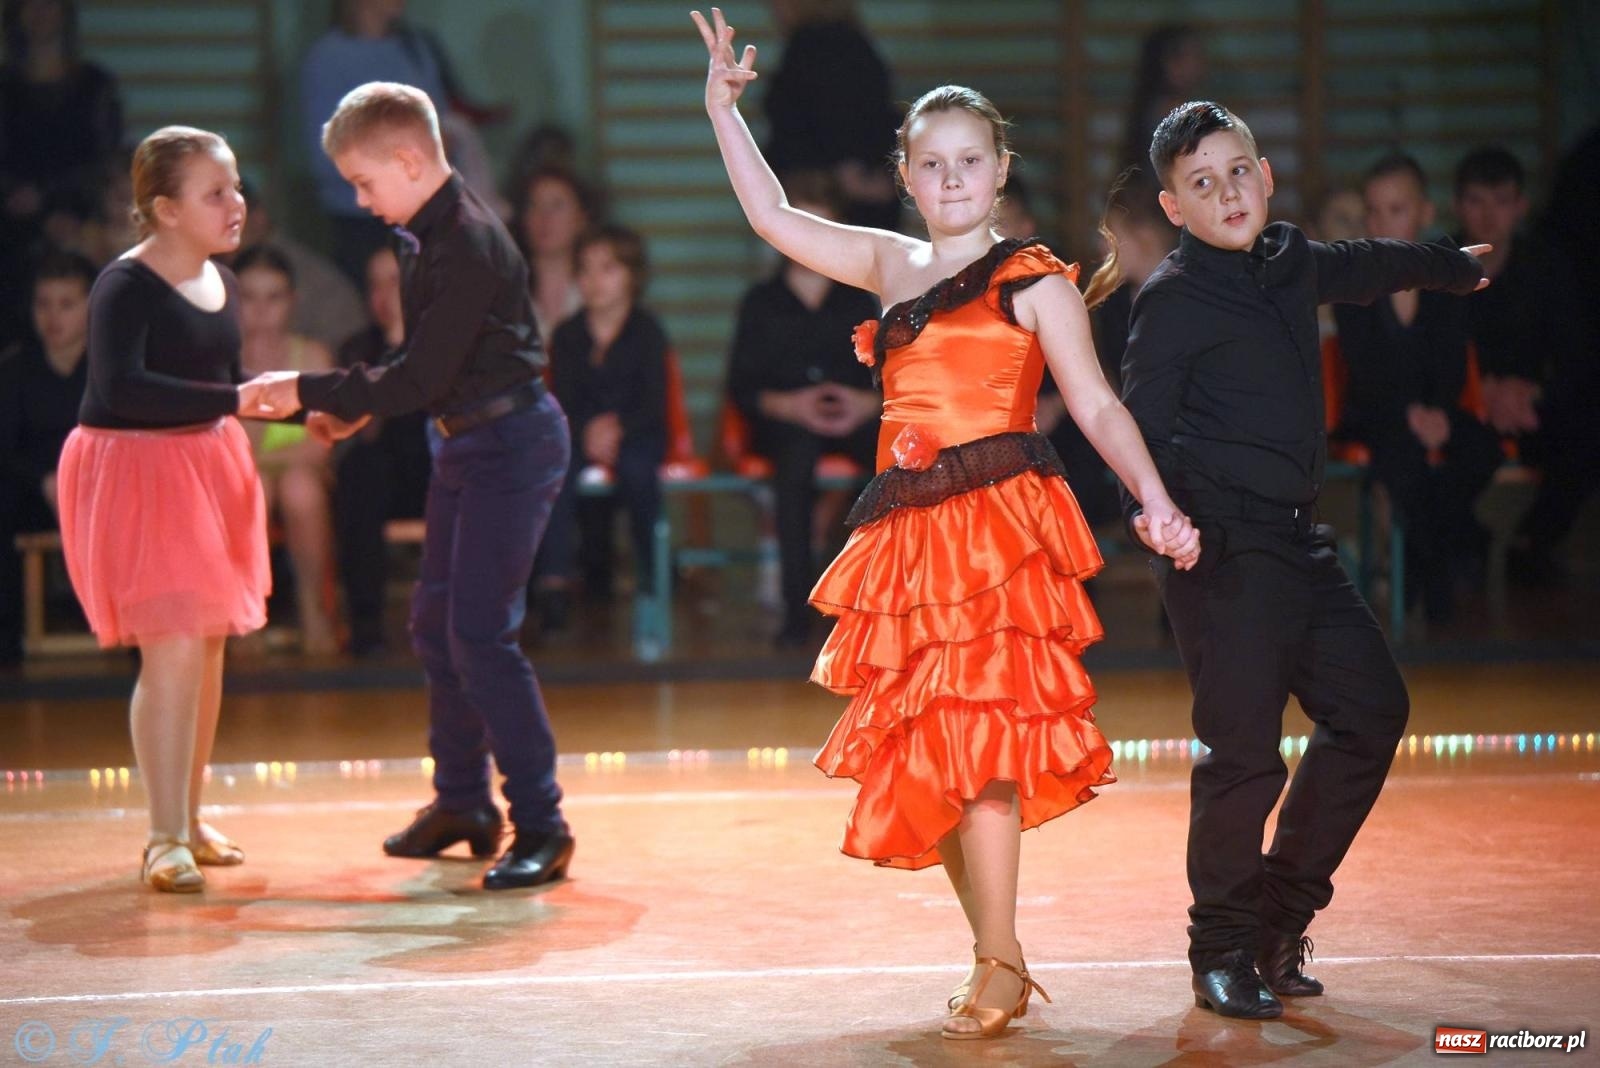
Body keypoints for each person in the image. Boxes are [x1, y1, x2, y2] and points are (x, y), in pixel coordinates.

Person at [694, 9, 1199, 1040]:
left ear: (1000, 169)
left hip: (997, 540)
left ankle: (1002, 960)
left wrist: (1154, 499)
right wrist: (722, 112)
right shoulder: (889, 262)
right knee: (933, 760)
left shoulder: (1036, 281)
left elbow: (1097, 407)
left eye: (971, 159)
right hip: (911, 544)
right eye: (932, 163)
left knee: (984, 754)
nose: (953, 177)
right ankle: (994, 953)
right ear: (906, 176)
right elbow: (773, 218)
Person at [1119, 101, 1490, 1019]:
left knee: (1371, 710)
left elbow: (1364, 266)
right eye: (1202, 183)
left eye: (1238, 171)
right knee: (1245, 756)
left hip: (1295, 540)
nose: (1227, 193)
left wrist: (1448, 266)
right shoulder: (1171, 298)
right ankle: (1219, 950)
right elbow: (1136, 424)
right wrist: (1152, 515)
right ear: (1173, 207)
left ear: (1266, 174)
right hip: (1219, 548)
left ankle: (1278, 920)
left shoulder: (1289, 258)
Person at [255, 81, 575, 891]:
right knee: (435, 626)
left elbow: (425, 373)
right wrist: (356, 408)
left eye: (364, 182)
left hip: (512, 441)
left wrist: (306, 389)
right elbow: (425, 366)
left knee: (481, 636)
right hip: (462, 440)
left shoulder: (466, 238)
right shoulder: (417, 234)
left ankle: (543, 823)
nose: (361, 201)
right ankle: (463, 802)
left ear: (406, 159)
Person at [54, 126, 292, 891]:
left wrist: (290, 411)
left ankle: (187, 818)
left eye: (236, 187)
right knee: (174, 648)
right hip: (139, 473)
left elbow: (223, 380)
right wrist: (236, 400)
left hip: (204, 465)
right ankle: (162, 836)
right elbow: (123, 388)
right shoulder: (124, 286)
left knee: (206, 646)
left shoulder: (220, 281)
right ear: (165, 209)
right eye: (215, 193)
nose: (236, 203)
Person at [1332, 154, 1502, 624]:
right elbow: (1364, 370)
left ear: (1425, 212)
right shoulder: (1353, 284)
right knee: (1402, 460)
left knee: (1480, 449)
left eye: (1397, 209)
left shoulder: (1447, 279)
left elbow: (1452, 361)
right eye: (1374, 210)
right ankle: (1436, 575)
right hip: (1378, 416)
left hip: (1437, 409)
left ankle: (1439, 554)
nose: (1382, 222)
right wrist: (1408, 413)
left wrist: (1440, 412)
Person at [725, 170, 879, 647]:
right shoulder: (761, 302)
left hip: (854, 419)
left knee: (892, 463)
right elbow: (741, 387)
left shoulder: (858, 298)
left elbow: (891, 379)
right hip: (785, 425)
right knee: (794, 465)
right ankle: (797, 610)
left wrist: (865, 404)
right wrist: (790, 406)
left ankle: (877, 603)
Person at [1453, 146, 1593, 586]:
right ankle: (1470, 547)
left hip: (1529, 406)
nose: (1488, 216)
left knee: (1587, 436)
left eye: (1501, 201)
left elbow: (1576, 357)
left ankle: (1531, 543)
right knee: (1438, 459)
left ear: (1520, 206)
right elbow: (1425, 356)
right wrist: (1480, 392)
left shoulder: (1547, 267)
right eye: (1476, 201)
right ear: (1458, 206)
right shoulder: (1439, 266)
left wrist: (1533, 392)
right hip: (1464, 407)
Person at [538, 224, 668, 622]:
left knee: (638, 471)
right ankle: (553, 581)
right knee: (554, 470)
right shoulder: (567, 334)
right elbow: (561, 400)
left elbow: (653, 402)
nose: (594, 280)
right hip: (579, 434)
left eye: (608, 268)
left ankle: (652, 572)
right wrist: (588, 431)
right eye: (586, 269)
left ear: (633, 275)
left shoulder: (648, 331)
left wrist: (617, 428)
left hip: (637, 433)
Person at [234, 244, 340, 654]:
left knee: (299, 489)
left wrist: (264, 462)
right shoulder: (218, 363)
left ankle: (313, 608)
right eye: (249, 297)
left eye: (273, 297)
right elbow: (224, 454)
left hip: (303, 478)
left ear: (292, 301)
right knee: (256, 488)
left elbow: (320, 448)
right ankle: (247, 612)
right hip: (239, 482)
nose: (261, 311)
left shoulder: (311, 357)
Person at [331, 244, 431, 658]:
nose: (384, 295)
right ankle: (366, 624)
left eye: (394, 282)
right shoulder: (356, 350)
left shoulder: (448, 344)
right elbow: (362, 428)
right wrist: (391, 352)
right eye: (375, 285)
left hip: (439, 468)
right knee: (360, 470)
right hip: (383, 478)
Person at [0, 249, 94, 665]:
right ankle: (8, 641)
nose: (53, 317)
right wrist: (44, 479)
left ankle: (140, 638)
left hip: (101, 489)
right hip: (34, 492)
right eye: (44, 304)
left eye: (66, 304)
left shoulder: (111, 367)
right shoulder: (14, 369)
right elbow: (5, 449)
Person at [762, 0, 900, 231]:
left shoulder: (814, 46)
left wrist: (848, 167)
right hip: (849, 188)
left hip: (824, 191)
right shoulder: (854, 43)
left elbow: (833, 112)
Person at [228, 182, 367, 353]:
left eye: (234, 220)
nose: (260, 311)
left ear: (258, 217)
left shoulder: (307, 275)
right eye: (247, 296)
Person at [511, 164, 595, 344]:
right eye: (534, 205)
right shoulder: (505, 291)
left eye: (557, 206)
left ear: (582, 218)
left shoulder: (600, 291)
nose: (544, 218)